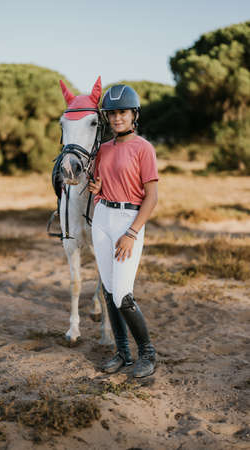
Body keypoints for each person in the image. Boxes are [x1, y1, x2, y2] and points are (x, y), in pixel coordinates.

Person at [88, 84, 159, 378]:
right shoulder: (102, 149)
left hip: (128, 220)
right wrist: (96, 189)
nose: (117, 118)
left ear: (134, 115)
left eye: (123, 113)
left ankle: (148, 353)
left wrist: (131, 233)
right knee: (107, 289)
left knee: (122, 294)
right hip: (102, 216)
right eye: (113, 113)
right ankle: (123, 353)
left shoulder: (144, 148)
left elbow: (151, 196)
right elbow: (97, 184)